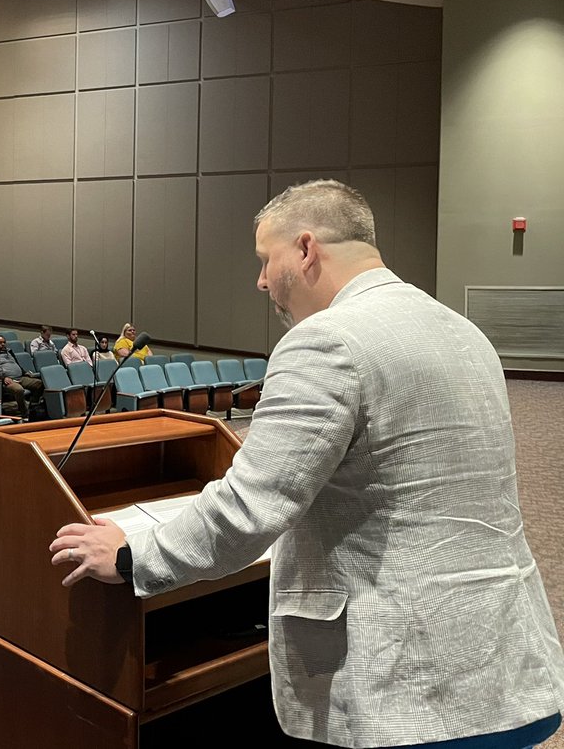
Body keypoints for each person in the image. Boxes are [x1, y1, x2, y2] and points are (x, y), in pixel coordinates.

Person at [50, 179, 564, 749]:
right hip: (503, 662)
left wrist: (130, 555)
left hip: (407, 688)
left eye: (266, 260)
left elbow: (250, 508)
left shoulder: (327, 339)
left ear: (305, 249)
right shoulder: (463, 333)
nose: (262, 280)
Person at [0, 335, 43, 418]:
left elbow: (17, 365)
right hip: (7, 381)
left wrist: (25, 373)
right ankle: (25, 413)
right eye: (0, 343)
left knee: (39, 383)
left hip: (20, 377)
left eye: (4, 342)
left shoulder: (9, 352)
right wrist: (3, 378)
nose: (3, 344)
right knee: (19, 390)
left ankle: (32, 406)